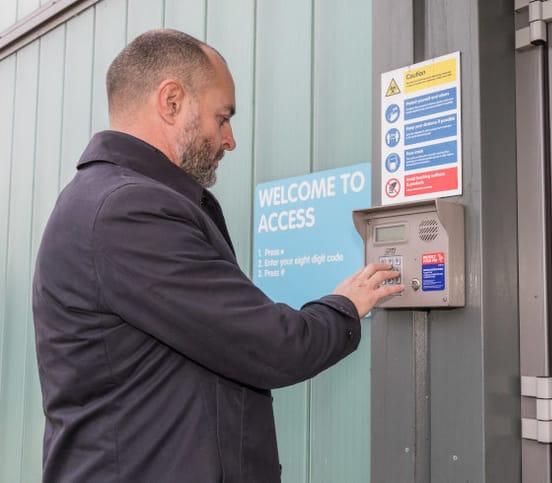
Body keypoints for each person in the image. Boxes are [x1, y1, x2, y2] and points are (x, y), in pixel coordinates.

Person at [32, 29, 403, 482]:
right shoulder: (126, 212)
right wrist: (344, 306)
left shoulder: (109, 200)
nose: (230, 140)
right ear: (171, 102)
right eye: (221, 117)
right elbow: (271, 346)